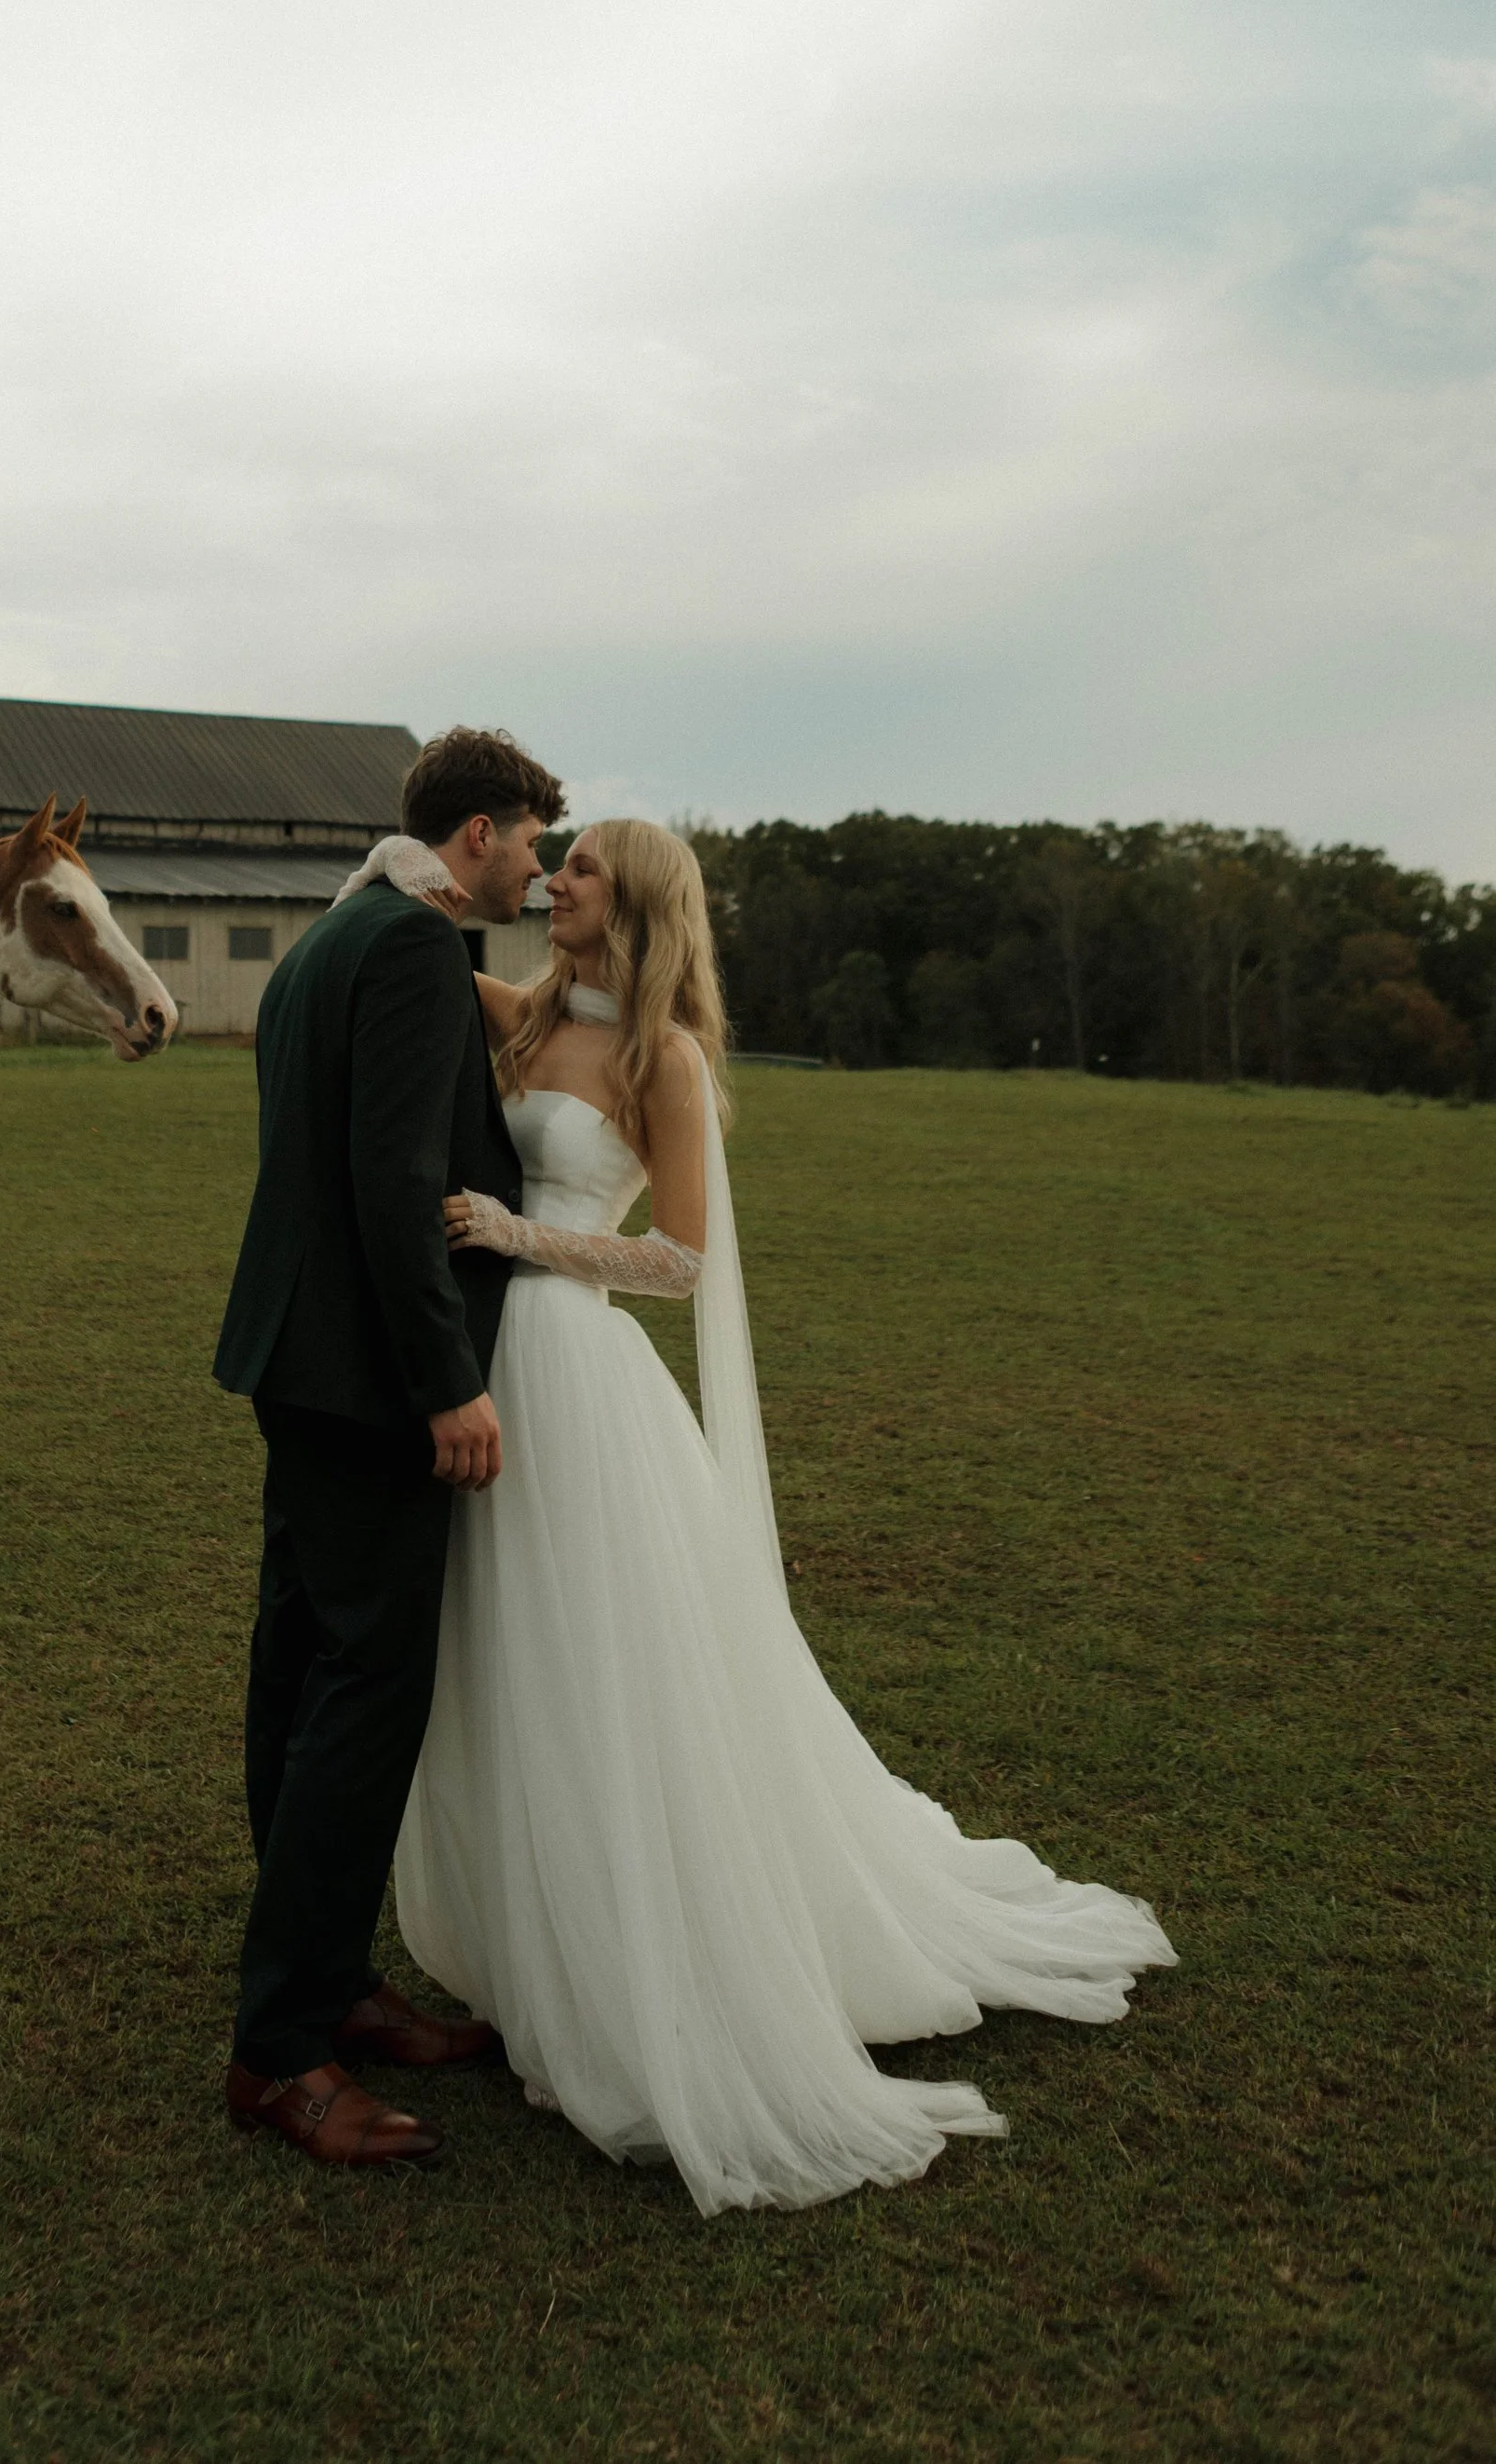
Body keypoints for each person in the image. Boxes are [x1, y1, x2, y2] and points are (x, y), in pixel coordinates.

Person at [384, 816, 1177, 2212]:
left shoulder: (665, 1058)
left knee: (604, 1677)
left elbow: (681, 1259)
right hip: (493, 1371)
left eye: (578, 873)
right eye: (550, 864)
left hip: (578, 1372)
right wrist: (399, 867)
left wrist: (522, 1235)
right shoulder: (520, 1012)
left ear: (629, 908)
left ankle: (642, 1966)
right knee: (512, 1667)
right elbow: (403, 957)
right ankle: (537, 1943)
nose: (553, 882)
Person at [212, 724, 567, 2167]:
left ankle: (329, 1978)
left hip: (293, 1356)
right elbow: (392, 1180)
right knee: (366, 1690)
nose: (542, 865)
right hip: (368, 1377)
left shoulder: (324, 939)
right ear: (476, 834)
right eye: (535, 838)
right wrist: (445, 1382)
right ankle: (283, 2050)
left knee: (298, 1662)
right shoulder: (414, 950)